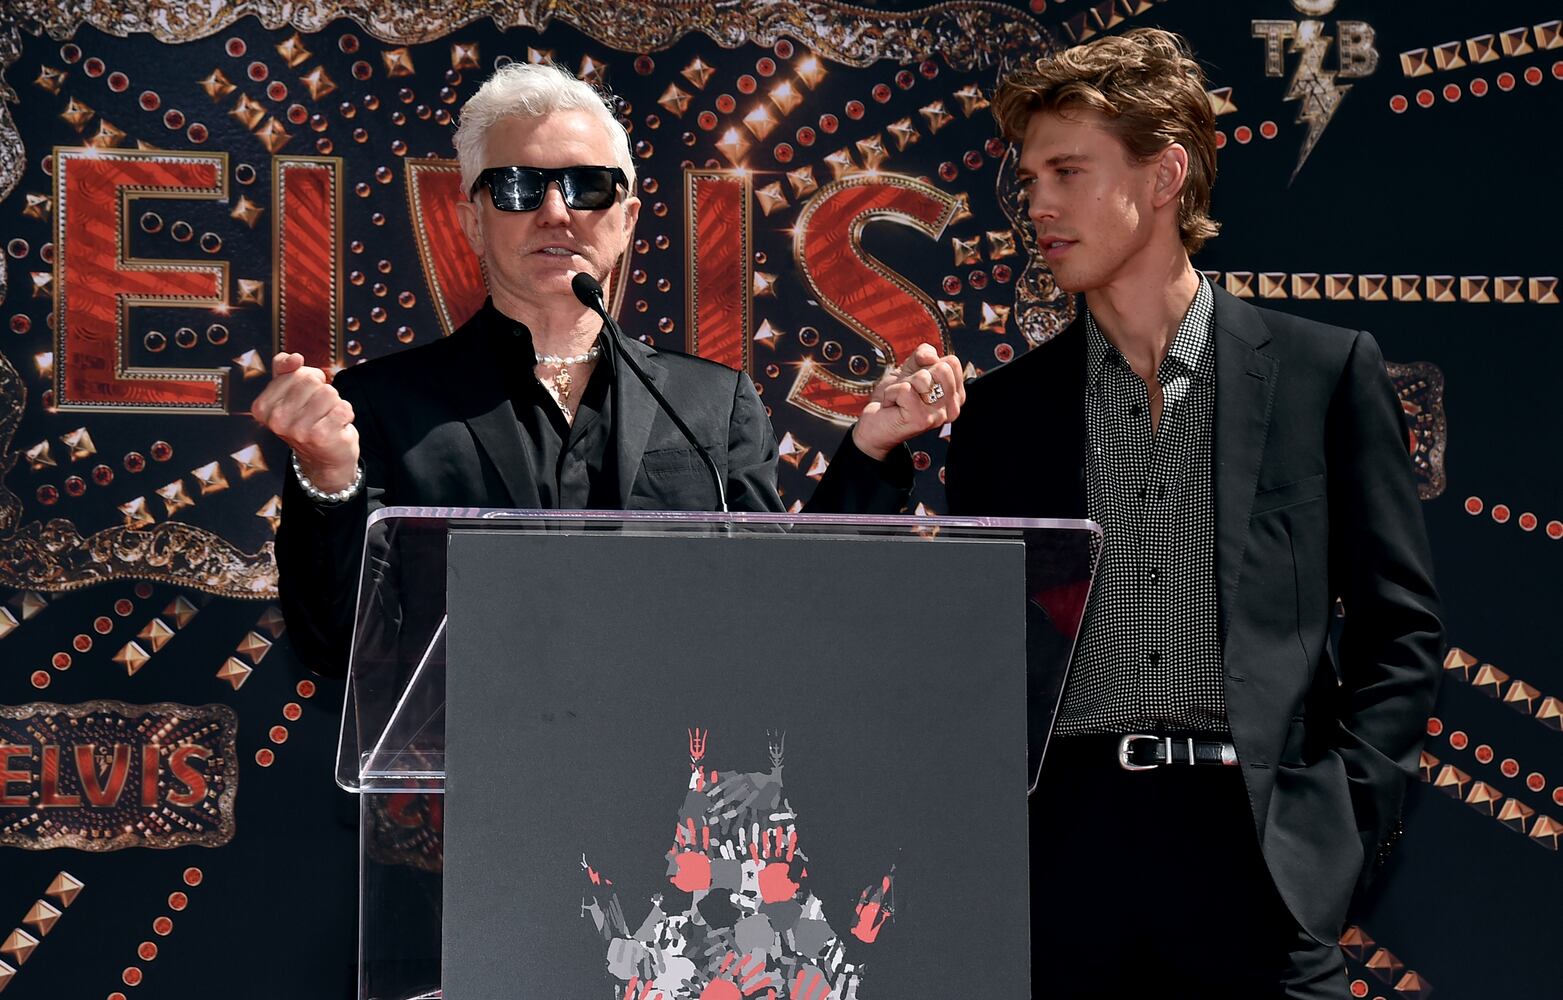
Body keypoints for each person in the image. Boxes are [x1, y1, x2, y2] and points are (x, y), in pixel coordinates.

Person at [819, 27, 1444, 998]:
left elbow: (1398, 632)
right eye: (1030, 180)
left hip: (1260, 854)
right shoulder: (1003, 415)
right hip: (1067, 858)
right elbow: (910, 650)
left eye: (1068, 171)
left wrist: (1342, 828)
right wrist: (875, 453)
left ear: (1166, 178)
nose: (1039, 205)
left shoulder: (1325, 375)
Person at [260, 62, 955, 677]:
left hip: (676, 789)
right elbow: (336, 644)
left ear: (625, 220)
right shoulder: (379, 405)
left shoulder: (709, 402)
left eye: (587, 186)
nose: (556, 211)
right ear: (472, 221)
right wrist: (328, 482)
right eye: (517, 188)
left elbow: (783, 610)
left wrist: (870, 452)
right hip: (468, 795)